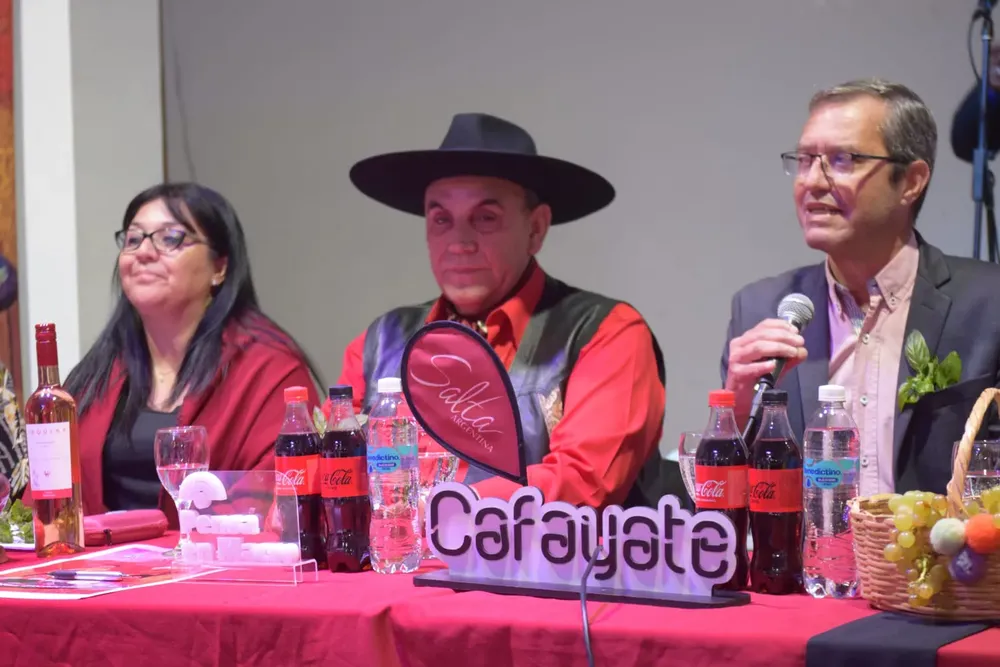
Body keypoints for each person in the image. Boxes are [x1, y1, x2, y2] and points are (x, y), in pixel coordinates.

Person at [339, 112, 669, 509]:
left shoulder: (604, 332)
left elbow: (580, 483)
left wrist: (440, 507)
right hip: (392, 567)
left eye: (485, 218)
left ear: (536, 229)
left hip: (554, 570)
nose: (459, 242)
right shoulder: (380, 341)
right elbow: (333, 468)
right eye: (441, 218)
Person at [722, 79, 1000, 498]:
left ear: (911, 181)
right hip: (805, 562)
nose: (812, 181)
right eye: (804, 159)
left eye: (842, 159)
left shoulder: (988, 303)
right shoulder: (761, 307)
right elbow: (727, 504)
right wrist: (738, 411)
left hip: (944, 561)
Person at [31, 182, 321, 524]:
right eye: (134, 239)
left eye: (170, 238)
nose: (144, 252)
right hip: (102, 572)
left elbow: (282, 495)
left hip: (219, 568)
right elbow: (46, 501)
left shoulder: (269, 369)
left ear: (219, 267)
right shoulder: (98, 373)